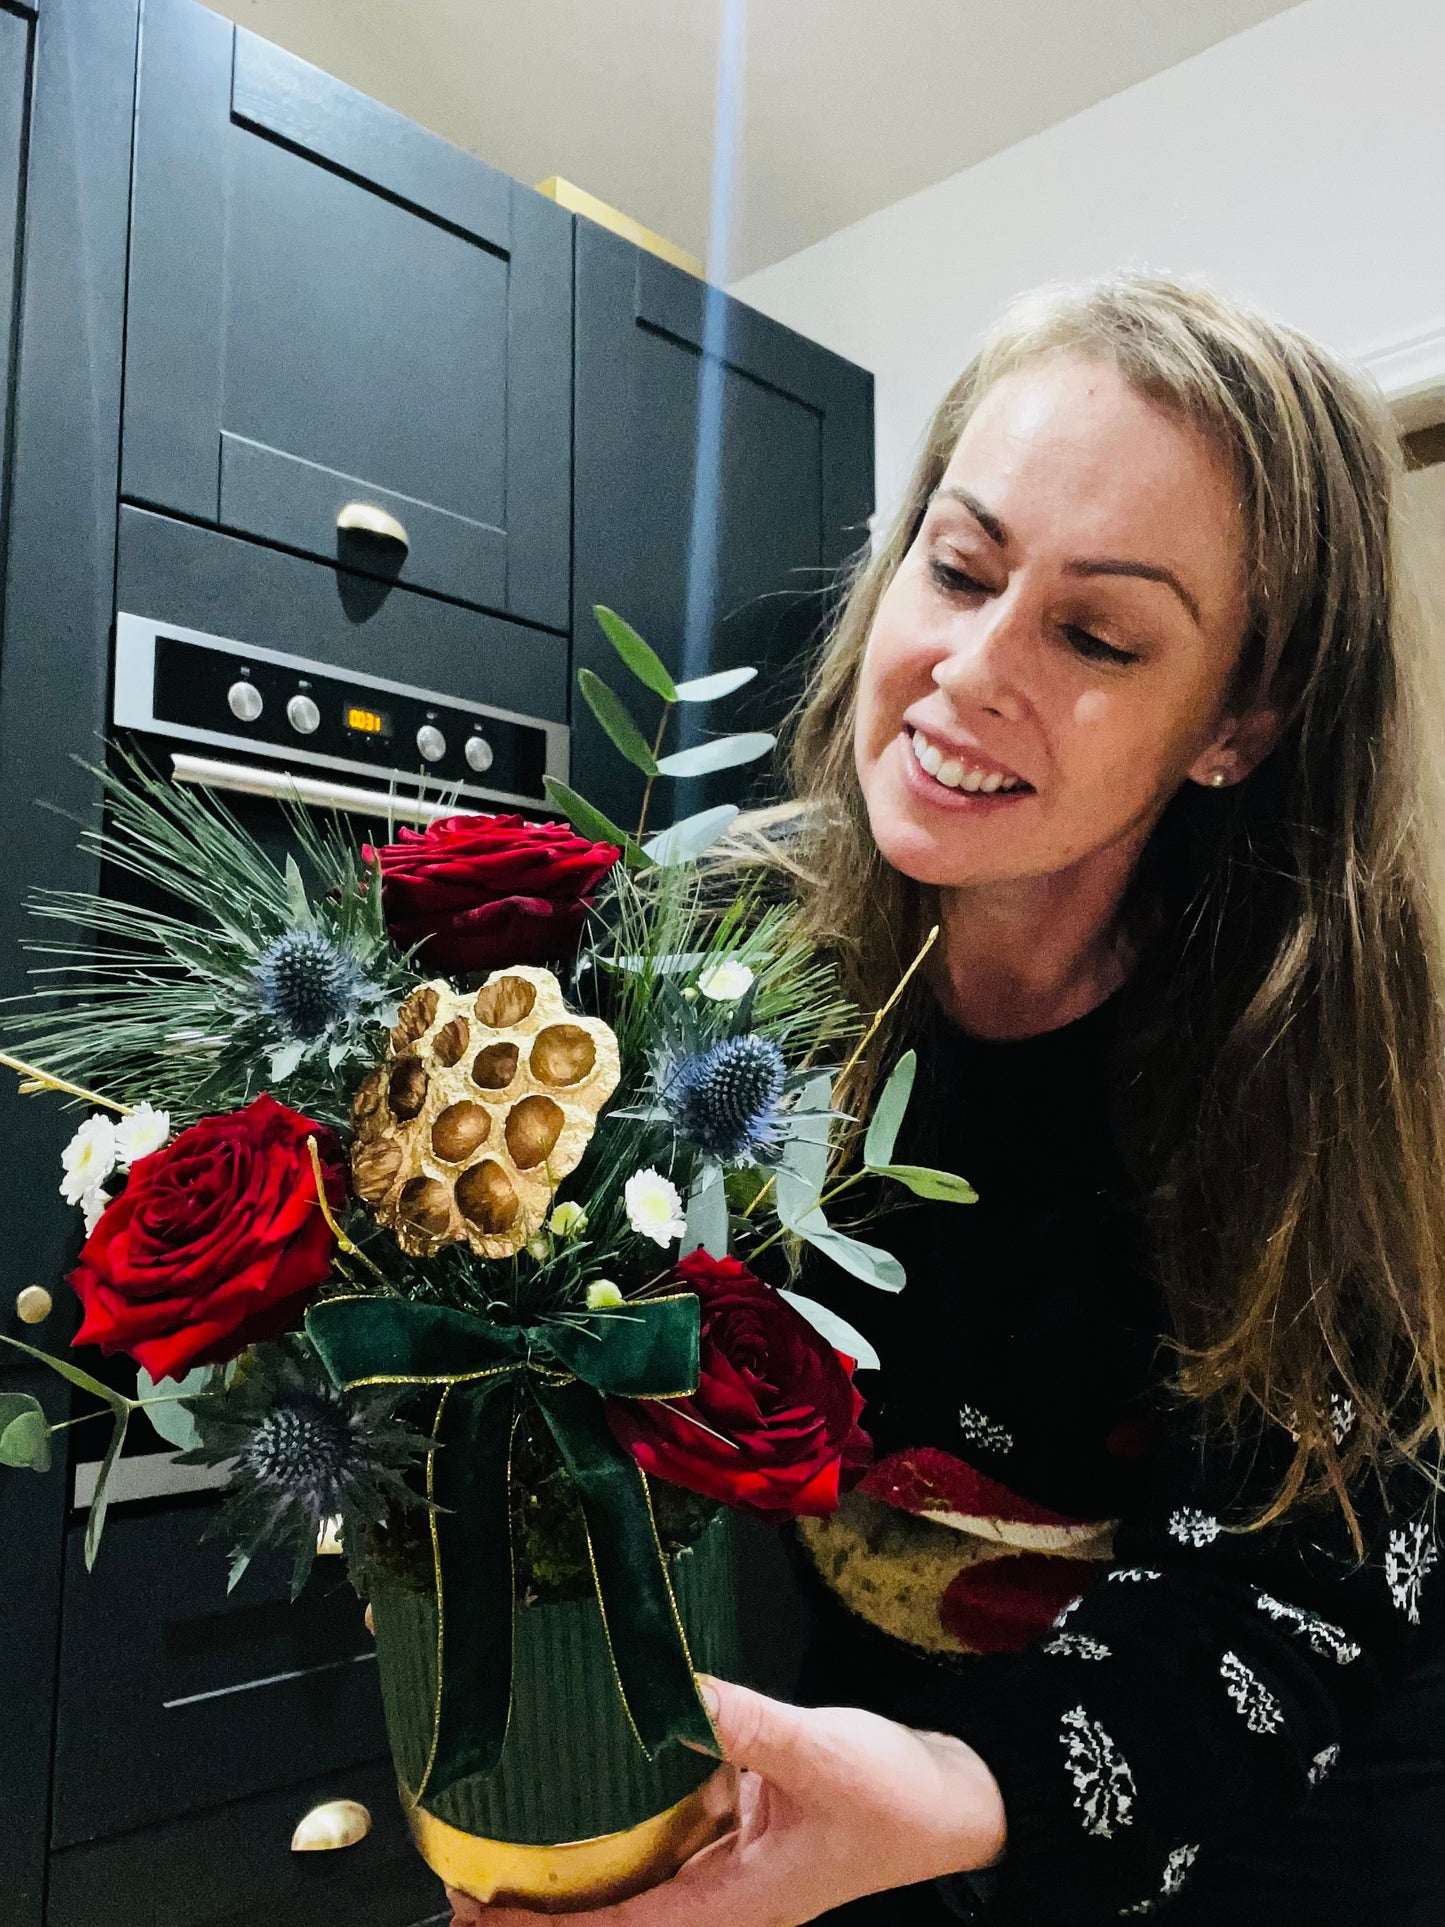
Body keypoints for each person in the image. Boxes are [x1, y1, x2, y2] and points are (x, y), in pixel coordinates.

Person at [451, 275, 1445, 1926]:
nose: (963, 671)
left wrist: (961, 1794)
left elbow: (1307, 1605)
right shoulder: (706, 943)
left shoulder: (1328, 1068)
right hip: (879, 1769)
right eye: (960, 564)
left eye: (1096, 635)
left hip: (1280, 1821)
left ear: (1239, 724)